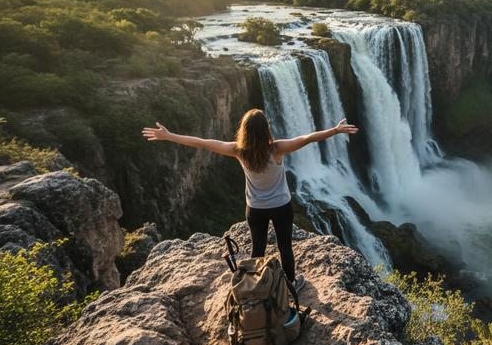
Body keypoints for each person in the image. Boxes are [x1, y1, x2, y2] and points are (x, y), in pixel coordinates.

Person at [142, 109, 358, 291]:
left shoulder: (238, 151)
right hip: (281, 206)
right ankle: (291, 284)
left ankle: (256, 288)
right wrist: (336, 130)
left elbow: (202, 143)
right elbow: (308, 138)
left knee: (258, 249)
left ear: (244, 131)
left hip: (255, 209)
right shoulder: (276, 148)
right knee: (285, 247)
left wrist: (169, 136)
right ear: (266, 130)